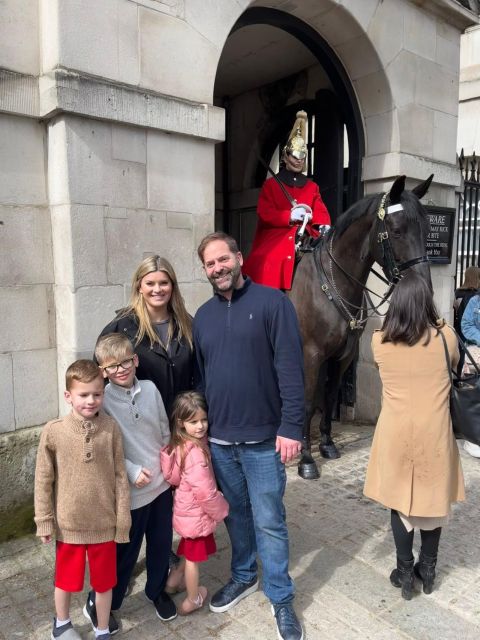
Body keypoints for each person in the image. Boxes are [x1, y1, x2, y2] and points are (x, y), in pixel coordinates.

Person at [194, 231, 305, 640]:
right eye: (210, 264)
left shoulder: (273, 303)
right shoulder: (202, 317)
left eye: (224, 259)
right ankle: (244, 576)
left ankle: (281, 597)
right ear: (205, 270)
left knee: (270, 521)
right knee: (237, 517)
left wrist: (292, 427)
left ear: (239, 258)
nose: (218, 268)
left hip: (263, 442)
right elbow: (203, 380)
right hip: (221, 441)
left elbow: (291, 370)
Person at [364, 271, 465, 600]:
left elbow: (384, 371)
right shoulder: (445, 337)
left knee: (399, 504)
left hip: (395, 431)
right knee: (433, 502)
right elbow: (453, 362)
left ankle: (405, 571)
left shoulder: (378, 340)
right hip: (433, 430)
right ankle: (429, 568)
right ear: (426, 301)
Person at [84, 333, 176, 634]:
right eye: (112, 366)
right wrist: (132, 470)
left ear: (135, 360)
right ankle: (105, 602)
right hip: (131, 491)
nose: (121, 369)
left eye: (126, 361)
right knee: (126, 550)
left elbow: (163, 429)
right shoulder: (102, 400)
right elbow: (102, 448)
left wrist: (170, 463)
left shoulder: (150, 389)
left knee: (161, 543)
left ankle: (155, 589)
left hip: (161, 485)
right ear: (102, 371)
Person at [34, 360, 131, 640]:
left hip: (104, 524)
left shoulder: (111, 428)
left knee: (104, 583)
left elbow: (120, 476)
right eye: (83, 394)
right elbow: (43, 479)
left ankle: (101, 628)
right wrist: (44, 521)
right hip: (69, 525)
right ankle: (62, 624)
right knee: (65, 580)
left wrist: (122, 520)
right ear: (69, 396)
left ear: (104, 393)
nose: (91, 400)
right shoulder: (53, 431)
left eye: (97, 394)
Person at [243, 110, 331, 290]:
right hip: (278, 234)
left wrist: (322, 224)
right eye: (295, 156)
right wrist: (289, 216)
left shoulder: (311, 187)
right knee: (268, 259)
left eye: (302, 157)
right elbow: (265, 213)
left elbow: (320, 210)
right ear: (286, 155)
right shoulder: (271, 185)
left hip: (306, 234)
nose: (298, 160)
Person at [97, 255, 194, 416]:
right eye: (150, 283)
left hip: (182, 422)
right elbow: (100, 377)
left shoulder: (187, 324)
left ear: (172, 286)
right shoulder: (121, 327)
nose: (157, 289)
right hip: (140, 424)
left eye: (164, 283)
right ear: (139, 287)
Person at [160, 391, 229, 615]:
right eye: (194, 421)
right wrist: (222, 509)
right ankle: (192, 598)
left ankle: (173, 582)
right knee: (193, 560)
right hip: (197, 514)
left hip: (187, 512)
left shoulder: (182, 444)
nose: (200, 426)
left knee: (189, 553)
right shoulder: (196, 453)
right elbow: (206, 492)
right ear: (181, 423)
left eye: (203, 420)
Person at [460, 283, 480, 458]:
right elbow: (466, 326)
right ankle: (473, 439)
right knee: (473, 396)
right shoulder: (475, 302)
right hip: (477, 355)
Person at [453, 265, 480, 375]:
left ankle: (460, 376)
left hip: (459, 328)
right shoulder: (475, 296)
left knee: (461, 354)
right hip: (472, 333)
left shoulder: (457, 292)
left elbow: (454, 308)